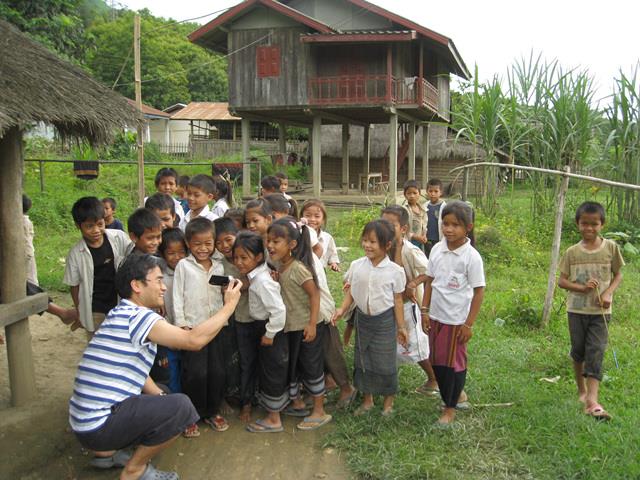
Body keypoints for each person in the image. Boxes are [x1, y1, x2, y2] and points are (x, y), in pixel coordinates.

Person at [69, 253, 242, 480]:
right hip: (98, 426)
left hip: (85, 423)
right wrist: (229, 306)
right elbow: (193, 341)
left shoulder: (120, 313)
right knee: (181, 408)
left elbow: (135, 370)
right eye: (158, 281)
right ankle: (134, 470)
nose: (164, 288)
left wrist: (161, 397)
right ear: (137, 285)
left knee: (165, 395)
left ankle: (108, 453)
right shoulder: (139, 317)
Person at [333, 219, 408, 416]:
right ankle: (367, 401)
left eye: (373, 242)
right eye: (365, 240)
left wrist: (401, 327)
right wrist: (342, 309)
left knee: (385, 361)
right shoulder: (357, 266)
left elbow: (398, 300)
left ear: (387, 245)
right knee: (363, 360)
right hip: (363, 321)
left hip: (385, 322)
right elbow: (351, 292)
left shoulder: (395, 271)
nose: (367, 245)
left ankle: (388, 403)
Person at [558, 201, 624, 421]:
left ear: (601, 224)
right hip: (576, 311)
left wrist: (607, 294)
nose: (589, 228)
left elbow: (618, 275)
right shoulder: (572, 252)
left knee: (595, 351)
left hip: (601, 314)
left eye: (594, 224)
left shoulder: (611, 248)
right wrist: (582, 288)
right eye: (584, 223)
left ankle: (592, 400)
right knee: (578, 351)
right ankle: (581, 391)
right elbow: (562, 281)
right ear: (577, 224)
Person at [421, 200, 485, 425]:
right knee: (435, 360)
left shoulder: (471, 257)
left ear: (468, 227)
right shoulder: (437, 249)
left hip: (456, 321)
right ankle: (456, 395)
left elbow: (478, 292)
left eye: (454, 225)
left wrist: (468, 324)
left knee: (452, 364)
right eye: (445, 224)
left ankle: (449, 407)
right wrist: (424, 311)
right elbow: (429, 282)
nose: (448, 229)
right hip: (435, 317)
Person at [267, 217, 332, 430]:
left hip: (307, 326)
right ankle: (299, 402)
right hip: (293, 326)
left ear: (292, 245)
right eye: (269, 241)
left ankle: (320, 410)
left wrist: (312, 324)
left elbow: (315, 296)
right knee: (297, 365)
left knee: (312, 366)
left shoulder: (299, 269)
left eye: (276, 242)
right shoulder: (280, 265)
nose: (270, 245)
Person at [173, 217, 228, 436]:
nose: (203, 248)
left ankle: (213, 411)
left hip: (216, 328)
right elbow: (177, 296)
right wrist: (182, 325)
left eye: (208, 243)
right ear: (188, 243)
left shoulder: (219, 265)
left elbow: (223, 296)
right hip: (192, 330)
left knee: (217, 371)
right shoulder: (183, 266)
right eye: (197, 244)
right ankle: (192, 415)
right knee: (195, 373)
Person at [232, 232, 288, 431]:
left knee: (272, 371)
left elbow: (279, 311)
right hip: (262, 327)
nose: (238, 262)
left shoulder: (262, 280)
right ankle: (273, 413)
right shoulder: (256, 276)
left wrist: (269, 334)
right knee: (267, 369)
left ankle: (274, 419)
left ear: (257, 257)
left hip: (269, 329)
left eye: (243, 257)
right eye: (235, 257)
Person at [381, 206, 438, 396]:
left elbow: (429, 272)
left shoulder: (410, 251)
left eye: (391, 225)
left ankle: (433, 379)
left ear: (403, 229)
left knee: (414, 344)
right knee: (389, 342)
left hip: (408, 305)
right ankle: (385, 381)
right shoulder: (381, 246)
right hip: (387, 304)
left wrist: (413, 283)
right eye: (383, 223)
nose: (386, 228)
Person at [64, 197, 131, 336]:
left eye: (100, 224)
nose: (96, 230)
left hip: (119, 304)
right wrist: (79, 311)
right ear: (78, 225)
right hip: (95, 309)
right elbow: (74, 286)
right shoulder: (76, 254)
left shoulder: (119, 238)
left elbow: (134, 255)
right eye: (89, 226)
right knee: (97, 346)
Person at [153, 228, 188, 393]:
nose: (177, 257)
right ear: (162, 254)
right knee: (171, 370)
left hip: (188, 330)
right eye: (171, 253)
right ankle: (175, 401)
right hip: (168, 333)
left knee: (187, 369)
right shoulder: (160, 277)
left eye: (181, 252)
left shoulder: (190, 272)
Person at [301, 199, 340, 272]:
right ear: (302, 217)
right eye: (308, 215)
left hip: (320, 271)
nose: (312, 219)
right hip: (302, 271)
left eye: (317, 216)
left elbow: (332, 253)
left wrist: (333, 263)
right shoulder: (298, 235)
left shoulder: (327, 237)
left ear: (323, 219)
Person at [403, 180, 428, 251]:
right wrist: (415, 236)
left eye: (415, 193)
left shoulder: (423, 209)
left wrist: (424, 236)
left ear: (419, 194)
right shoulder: (404, 210)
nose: (412, 196)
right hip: (409, 241)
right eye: (409, 193)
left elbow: (425, 225)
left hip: (420, 241)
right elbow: (403, 228)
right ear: (405, 195)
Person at [424, 178, 446, 257]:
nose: (433, 194)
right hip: (427, 238)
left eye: (436, 191)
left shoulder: (444, 207)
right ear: (427, 192)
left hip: (439, 238)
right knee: (428, 256)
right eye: (430, 191)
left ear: (441, 192)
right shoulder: (425, 206)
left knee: (438, 256)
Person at [23, 194, 38, 285]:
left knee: (29, 277)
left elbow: (26, 239)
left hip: (26, 252)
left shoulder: (22, 222)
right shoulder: (27, 222)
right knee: (31, 276)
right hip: (28, 252)